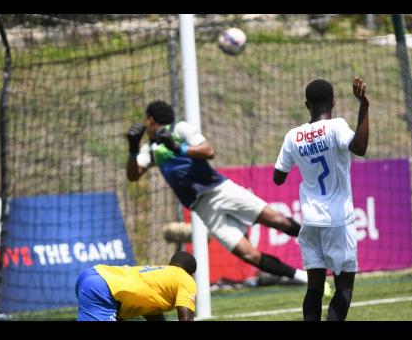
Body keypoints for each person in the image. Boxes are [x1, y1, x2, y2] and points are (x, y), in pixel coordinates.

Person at [126, 100, 332, 294]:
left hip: (221, 190)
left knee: (276, 220)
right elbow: (133, 175)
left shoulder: (180, 129)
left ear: (151, 120)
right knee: (248, 254)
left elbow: (208, 151)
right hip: (203, 208)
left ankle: (326, 249)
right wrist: (133, 149)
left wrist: (178, 147)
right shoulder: (150, 149)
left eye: (146, 120)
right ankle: (303, 277)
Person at [273, 77, 369, 321]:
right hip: (338, 219)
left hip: (310, 221)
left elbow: (277, 178)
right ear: (333, 102)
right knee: (344, 287)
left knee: (314, 288)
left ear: (307, 105)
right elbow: (359, 147)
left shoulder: (293, 136)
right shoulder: (336, 126)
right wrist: (364, 106)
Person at [75, 251, 197, 321]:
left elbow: (153, 314)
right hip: (103, 287)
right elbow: (186, 319)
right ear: (192, 274)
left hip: (93, 275)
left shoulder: (160, 276)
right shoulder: (185, 278)